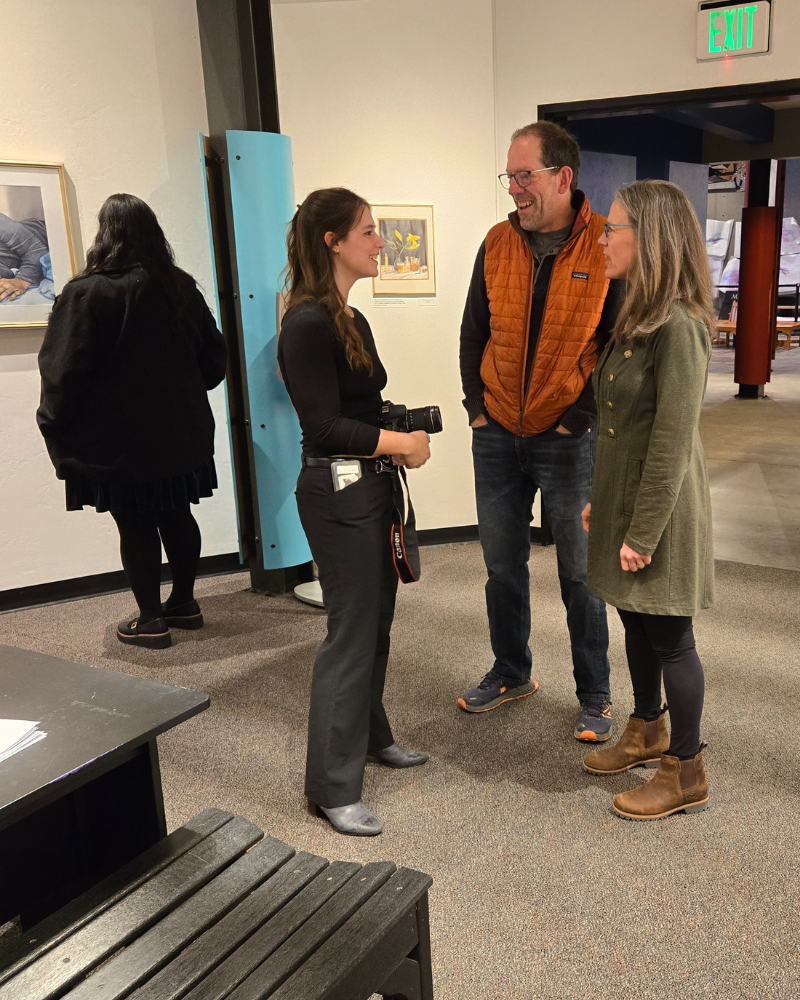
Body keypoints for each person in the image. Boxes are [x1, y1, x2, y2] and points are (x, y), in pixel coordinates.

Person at [458, 120, 622, 741]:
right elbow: (474, 330)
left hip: (569, 438)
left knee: (580, 574)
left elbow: (616, 344)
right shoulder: (497, 242)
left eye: (524, 175)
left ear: (562, 177)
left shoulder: (605, 245)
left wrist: (581, 416)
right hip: (496, 432)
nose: (514, 189)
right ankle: (511, 671)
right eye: (510, 176)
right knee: (502, 566)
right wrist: (476, 406)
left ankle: (595, 693)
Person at [278, 188, 432, 837]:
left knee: (375, 625)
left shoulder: (348, 317)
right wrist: (400, 443)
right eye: (368, 231)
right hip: (337, 493)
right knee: (350, 634)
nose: (380, 242)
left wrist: (396, 433)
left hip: (371, 489)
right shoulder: (306, 322)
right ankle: (332, 787)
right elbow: (322, 425)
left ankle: (372, 736)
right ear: (332, 242)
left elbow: (359, 407)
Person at [37, 193, 227, 649]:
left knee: (136, 525)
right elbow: (215, 361)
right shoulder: (180, 286)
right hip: (181, 433)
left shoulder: (86, 293)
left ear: (105, 234)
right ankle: (184, 603)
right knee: (177, 513)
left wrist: (52, 423)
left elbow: (63, 373)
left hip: (118, 441)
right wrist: (179, 393)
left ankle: (151, 620)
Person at [582, 180, 715, 820]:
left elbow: (670, 440)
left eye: (612, 229)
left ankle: (685, 769)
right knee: (634, 616)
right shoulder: (637, 316)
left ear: (650, 238)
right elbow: (618, 426)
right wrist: (602, 501)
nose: (602, 240)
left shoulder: (680, 327)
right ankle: (646, 727)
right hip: (626, 499)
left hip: (660, 508)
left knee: (670, 634)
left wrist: (642, 531)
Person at [0, 212, 48, 302]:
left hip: (46, 236)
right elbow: (7, 273)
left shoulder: (2, 224)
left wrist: (22, 280)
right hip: (19, 262)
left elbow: (36, 250)